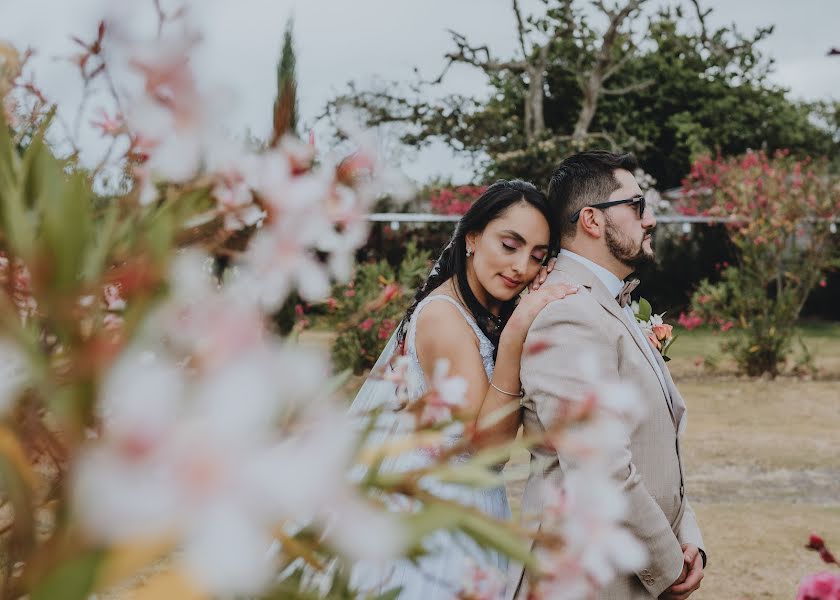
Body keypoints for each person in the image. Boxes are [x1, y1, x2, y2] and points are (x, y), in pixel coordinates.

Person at [350, 179, 577, 598]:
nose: (521, 267)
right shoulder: (445, 319)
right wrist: (517, 331)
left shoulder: (485, 309)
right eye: (510, 245)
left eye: (537, 257)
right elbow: (490, 450)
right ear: (472, 237)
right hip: (434, 518)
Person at [508, 151, 705, 600]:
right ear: (593, 221)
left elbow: (659, 442)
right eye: (637, 206)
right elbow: (600, 467)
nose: (650, 219)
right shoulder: (567, 313)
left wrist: (690, 540)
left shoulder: (611, 303)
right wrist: (669, 565)